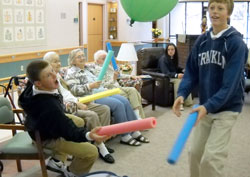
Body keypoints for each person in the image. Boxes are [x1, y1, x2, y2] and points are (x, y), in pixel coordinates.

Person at [172, 0, 248, 176]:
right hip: (205, 107)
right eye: (211, 8)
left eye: (220, 8)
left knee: (211, 159)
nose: (214, 12)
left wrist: (207, 106)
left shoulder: (236, 43)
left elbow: (229, 86)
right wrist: (182, 93)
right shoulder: (202, 41)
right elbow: (191, 70)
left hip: (227, 109)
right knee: (194, 154)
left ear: (228, 13)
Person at [18, 60, 110, 177]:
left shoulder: (32, 86)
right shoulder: (48, 105)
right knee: (92, 152)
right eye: (48, 75)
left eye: (52, 70)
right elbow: (67, 128)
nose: (54, 75)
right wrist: (88, 135)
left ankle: (56, 161)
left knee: (79, 121)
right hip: (46, 137)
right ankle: (72, 173)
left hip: (40, 126)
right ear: (39, 83)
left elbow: (63, 122)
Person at [64, 48, 150, 146]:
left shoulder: (88, 68)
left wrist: (117, 72)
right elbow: (74, 90)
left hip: (103, 91)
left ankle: (134, 131)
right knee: (118, 105)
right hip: (92, 96)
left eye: (83, 55)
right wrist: (90, 86)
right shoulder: (71, 72)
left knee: (125, 100)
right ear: (72, 60)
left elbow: (103, 70)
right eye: (79, 57)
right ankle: (125, 136)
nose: (82, 58)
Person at [43, 51, 115, 164]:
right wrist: (77, 103)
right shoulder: (48, 79)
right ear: (46, 64)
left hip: (78, 101)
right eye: (55, 61)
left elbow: (66, 93)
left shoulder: (57, 76)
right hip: (68, 106)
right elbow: (62, 98)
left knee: (104, 109)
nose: (59, 64)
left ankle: (100, 142)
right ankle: (101, 148)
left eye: (59, 61)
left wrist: (77, 101)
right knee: (92, 115)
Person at [93, 50, 145, 119]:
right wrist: (113, 79)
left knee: (133, 90)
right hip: (111, 90)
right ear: (97, 61)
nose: (106, 60)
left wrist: (130, 76)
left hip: (118, 87)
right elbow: (102, 85)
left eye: (107, 58)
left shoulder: (109, 67)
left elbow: (119, 75)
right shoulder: (98, 70)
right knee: (135, 95)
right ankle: (137, 118)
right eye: (103, 59)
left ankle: (138, 117)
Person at [158, 43, 193, 110]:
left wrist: (183, 70)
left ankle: (188, 102)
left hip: (172, 75)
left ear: (175, 50)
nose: (170, 51)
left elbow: (176, 68)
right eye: (169, 50)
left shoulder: (173, 58)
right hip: (166, 78)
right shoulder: (163, 59)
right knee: (179, 81)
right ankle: (179, 104)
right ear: (166, 51)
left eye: (172, 49)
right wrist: (176, 75)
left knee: (186, 79)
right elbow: (166, 72)